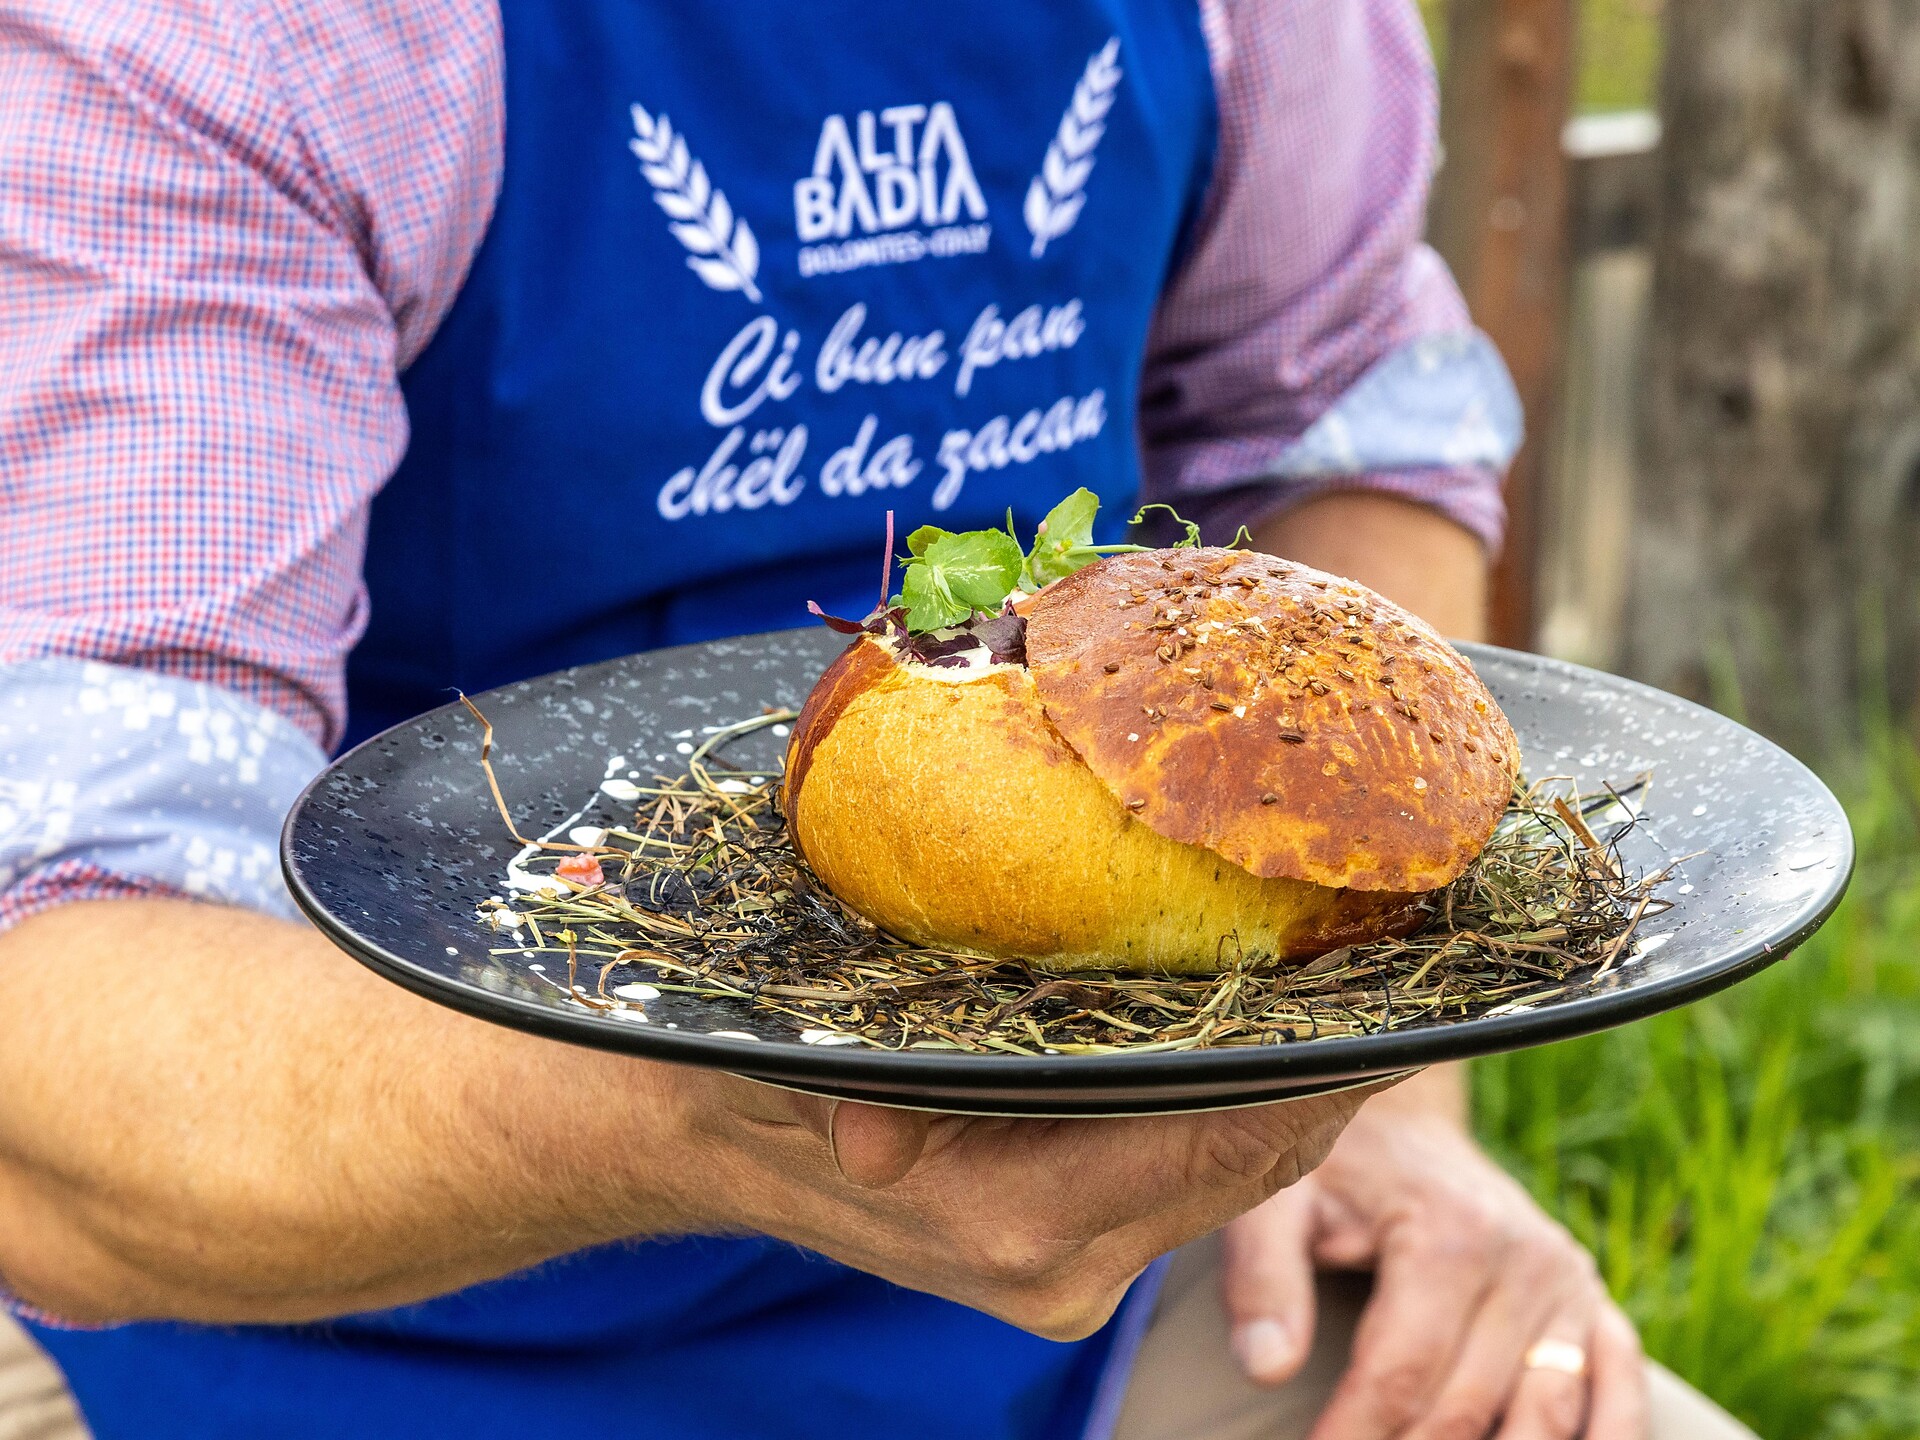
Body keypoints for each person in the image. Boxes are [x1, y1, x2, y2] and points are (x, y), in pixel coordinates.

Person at [0, 0, 1756, 1436]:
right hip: (345, 1332)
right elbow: (51, 1042)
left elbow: (1338, 423)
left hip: (1136, 1268)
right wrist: (758, 1112)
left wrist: (1378, 1111)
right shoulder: (245, 41)